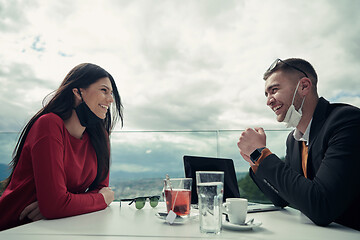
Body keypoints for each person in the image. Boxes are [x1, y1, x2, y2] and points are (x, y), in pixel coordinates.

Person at [237, 58, 360, 230]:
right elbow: (282, 198)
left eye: (274, 90)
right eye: (266, 94)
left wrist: (262, 154)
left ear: (303, 86)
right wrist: (255, 160)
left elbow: (322, 206)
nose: (269, 101)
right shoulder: (293, 140)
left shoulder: (346, 121)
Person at [0, 63, 123, 231]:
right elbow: (100, 197)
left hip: (57, 226)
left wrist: (63, 205)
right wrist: (58, 205)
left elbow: (101, 189)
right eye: (104, 90)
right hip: (15, 227)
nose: (110, 99)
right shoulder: (49, 124)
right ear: (78, 92)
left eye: (111, 93)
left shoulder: (100, 139)